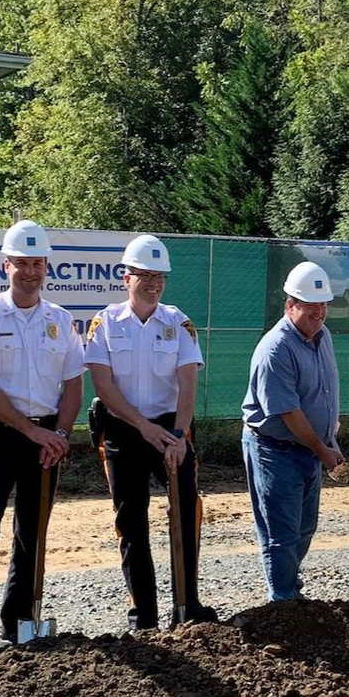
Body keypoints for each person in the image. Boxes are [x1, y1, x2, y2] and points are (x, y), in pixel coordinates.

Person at [0, 220, 85, 656]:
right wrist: (32, 432)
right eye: (21, 264)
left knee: (32, 530)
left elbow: (73, 386)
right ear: (5, 265)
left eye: (37, 264)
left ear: (47, 267)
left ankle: (20, 621)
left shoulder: (62, 321)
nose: (30, 272)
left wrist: (60, 434)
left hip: (47, 441)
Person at [85, 234, 218, 630]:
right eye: (144, 275)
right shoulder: (105, 322)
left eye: (159, 276)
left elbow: (188, 381)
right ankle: (143, 614)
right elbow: (102, 385)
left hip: (171, 430)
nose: (153, 283)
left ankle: (187, 604)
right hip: (124, 432)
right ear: (126, 277)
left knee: (186, 512)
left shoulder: (178, 323)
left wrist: (178, 435)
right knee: (131, 522)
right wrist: (143, 428)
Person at [242, 260, 342, 602]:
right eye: (310, 305)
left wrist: (330, 440)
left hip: (310, 448)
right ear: (290, 305)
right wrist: (323, 450)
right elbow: (288, 413)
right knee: (281, 534)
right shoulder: (276, 348)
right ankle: (283, 602)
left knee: (303, 528)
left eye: (323, 304)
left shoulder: (321, 336)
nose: (318, 312)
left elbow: (324, 393)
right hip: (276, 449)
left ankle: (289, 592)